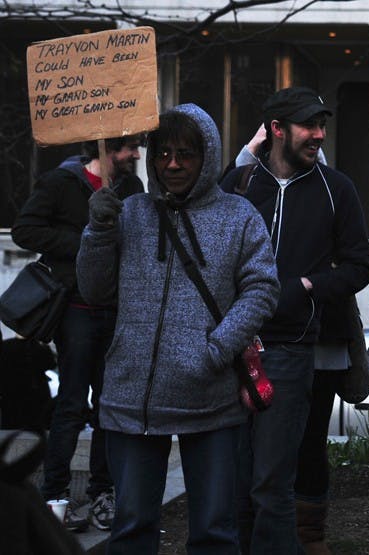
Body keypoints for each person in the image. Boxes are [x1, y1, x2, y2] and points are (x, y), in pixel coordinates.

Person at [76, 103, 279, 554]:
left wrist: (215, 350)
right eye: (163, 153)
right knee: (131, 530)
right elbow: (94, 290)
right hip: (132, 400)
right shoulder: (128, 212)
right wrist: (98, 229)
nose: (172, 164)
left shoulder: (239, 216)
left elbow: (262, 290)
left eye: (185, 154)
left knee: (214, 533)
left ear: (207, 156)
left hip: (211, 399)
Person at [220, 86, 369, 555]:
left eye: (322, 125)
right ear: (276, 130)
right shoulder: (240, 183)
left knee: (273, 482)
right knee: (234, 480)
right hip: (230, 349)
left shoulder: (337, 189)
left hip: (292, 349)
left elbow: (358, 268)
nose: (319, 135)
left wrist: (307, 286)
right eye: (309, 125)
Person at [11, 134, 144, 532]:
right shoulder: (61, 182)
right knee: (71, 404)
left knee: (108, 406)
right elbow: (25, 230)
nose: (136, 154)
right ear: (108, 148)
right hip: (75, 310)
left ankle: (103, 492)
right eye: (129, 147)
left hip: (114, 310)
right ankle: (55, 495)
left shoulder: (131, 188)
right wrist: (86, 240)